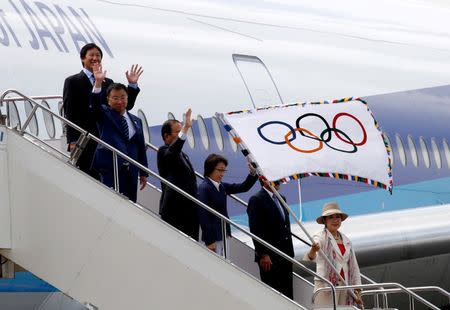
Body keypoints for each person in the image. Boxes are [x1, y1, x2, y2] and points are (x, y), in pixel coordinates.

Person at [63, 42, 143, 178]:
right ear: (83, 59)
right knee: (88, 176)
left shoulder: (108, 82)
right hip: (85, 138)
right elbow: (70, 112)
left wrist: (132, 85)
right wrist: (72, 140)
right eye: (91, 55)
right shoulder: (73, 81)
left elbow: (124, 106)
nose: (95, 58)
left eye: (98, 55)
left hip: (106, 139)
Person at [89, 65, 148, 203]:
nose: (120, 101)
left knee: (130, 204)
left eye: (123, 97)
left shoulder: (136, 120)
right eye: (115, 98)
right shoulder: (104, 113)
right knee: (111, 202)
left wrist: (144, 172)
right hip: (111, 168)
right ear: (108, 100)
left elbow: (140, 147)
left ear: (127, 99)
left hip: (131, 171)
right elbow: (95, 106)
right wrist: (98, 83)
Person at [304, 202, 363, 307]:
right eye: (331, 217)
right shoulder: (320, 237)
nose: (335, 220)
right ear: (325, 221)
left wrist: (358, 292)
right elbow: (311, 257)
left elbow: (354, 267)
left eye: (338, 217)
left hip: (345, 287)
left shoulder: (346, 240)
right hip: (326, 287)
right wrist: (313, 249)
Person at [197, 154, 257, 255]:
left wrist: (253, 173)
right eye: (220, 170)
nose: (222, 174)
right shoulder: (204, 188)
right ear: (210, 169)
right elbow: (203, 216)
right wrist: (209, 241)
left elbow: (243, 187)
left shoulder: (221, 186)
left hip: (224, 233)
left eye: (224, 170)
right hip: (213, 238)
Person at [247, 179, 294, 299]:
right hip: (270, 258)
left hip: (286, 254)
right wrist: (263, 254)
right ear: (263, 180)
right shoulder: (256, 200)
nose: (278, 181)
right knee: (274, 296)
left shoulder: (281, 197)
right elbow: (256, 230)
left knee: (288, 295)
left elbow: (284, 226)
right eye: (274, 179)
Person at [157, 110, 199, 241]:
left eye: (181, 131)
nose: (181, 134)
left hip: (189, 209)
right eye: (178, 132)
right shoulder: (164, 151)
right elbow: (172, 153)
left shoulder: (182, 154)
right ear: (166, 136)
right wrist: (186, 129)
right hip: (175, 210)